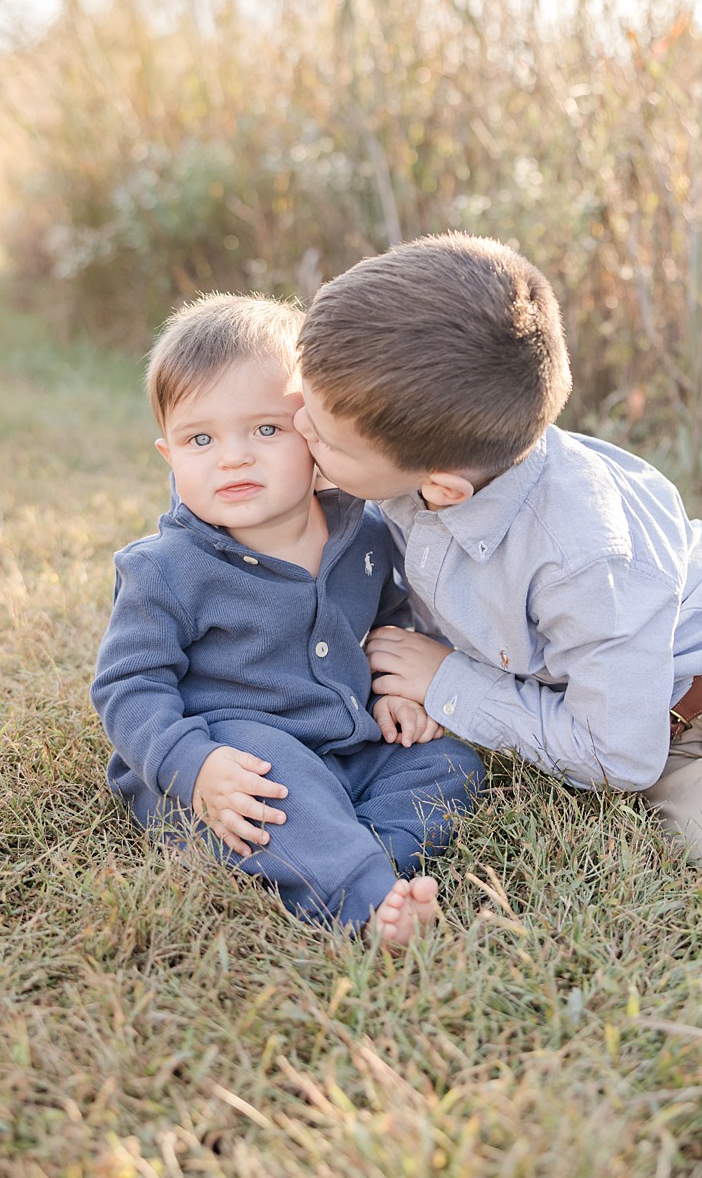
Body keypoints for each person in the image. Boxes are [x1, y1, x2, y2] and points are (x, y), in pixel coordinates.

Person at [290, 232, 702, 894]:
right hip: (678, 747)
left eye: (324, 437)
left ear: (445, 486)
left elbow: (614, 754)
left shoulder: (583, 554)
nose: (299, 429)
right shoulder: (414, 481)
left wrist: (452, 684)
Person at [91, 295, 485, 948]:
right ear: (168, 454)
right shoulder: (165, 570)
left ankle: (361, 857)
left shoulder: (363, 532)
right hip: (230, 769)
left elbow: (387, 619)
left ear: (316, 435)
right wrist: (195, 766)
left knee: (447, 762)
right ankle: (365, 906)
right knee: (272, 781)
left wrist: (396, 693)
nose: (233, 458)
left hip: (344, 743)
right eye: (201, 439)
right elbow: (128, 689)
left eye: (266, 430)